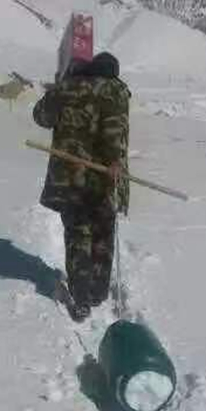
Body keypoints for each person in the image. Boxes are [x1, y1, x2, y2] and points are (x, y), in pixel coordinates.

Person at [32, 51, 130, 322]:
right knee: (103, 234)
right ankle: (98, 292)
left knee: (78, 234)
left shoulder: (68, 87)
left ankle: (81, 297)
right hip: (106, 179)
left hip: (71, 178)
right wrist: (114, 163)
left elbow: (40, 116)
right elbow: (114, 131)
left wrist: (61, 88)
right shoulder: (116, 90)